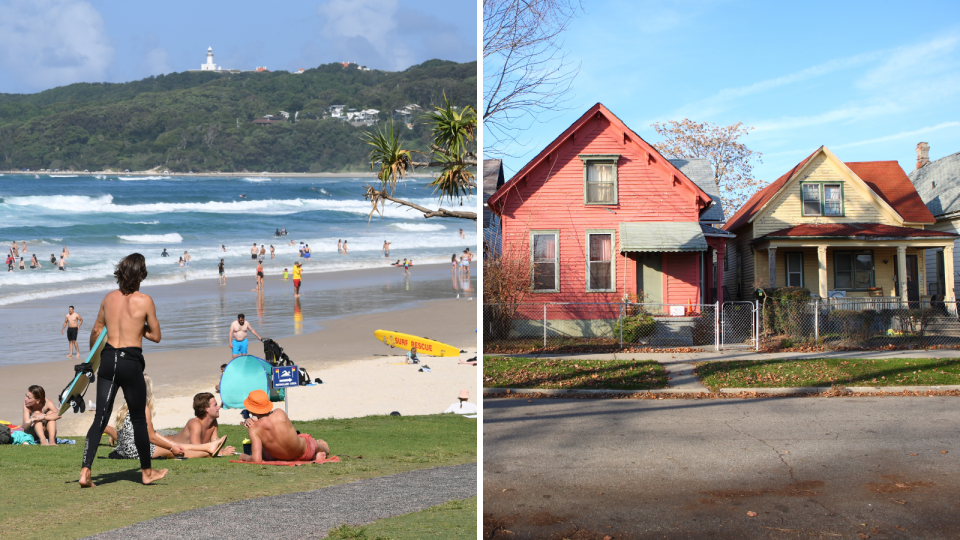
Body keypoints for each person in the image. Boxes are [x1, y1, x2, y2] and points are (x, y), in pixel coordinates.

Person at [80, 253, 168, 487]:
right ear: (141, 274)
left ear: (120, 272)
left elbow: (97, 331)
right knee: (139, 419)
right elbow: (156, 336)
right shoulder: (145, 300)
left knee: (100, 417)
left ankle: (85, 471)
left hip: (108, 360)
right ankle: (147, 472)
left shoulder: (108, 299)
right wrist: (139, 328)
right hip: (130, 361)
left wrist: (92, 362)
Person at [102, 376, 228, 459]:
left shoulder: (129, 405)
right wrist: (171, 447)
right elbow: (151, 436)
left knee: (176, 446)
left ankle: (208, 447)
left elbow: (151, 433)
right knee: (180, 451)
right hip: (136, 450)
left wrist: (171, 443)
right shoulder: (144, 407)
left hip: (125, 449)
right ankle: (208, 451)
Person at [238, 390, 329, 463]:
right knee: (307, 440)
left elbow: (256, 460)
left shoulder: (254, 429)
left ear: (250, 409)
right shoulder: (279, 413)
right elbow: (268, 420)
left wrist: (244, 456)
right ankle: (323, 450)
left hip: (279, 457)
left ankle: (316, 454)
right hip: (305, 451)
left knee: (261, 451)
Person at [165, 392, 235, 455]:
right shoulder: (195, 424)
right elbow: (197, 450)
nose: (218, 407)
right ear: (206, 409)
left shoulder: (213, 422)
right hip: (165, 442)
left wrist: (222, 450)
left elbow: (216, 442)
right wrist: (223, 453)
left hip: (174, 435)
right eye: (215, 405)